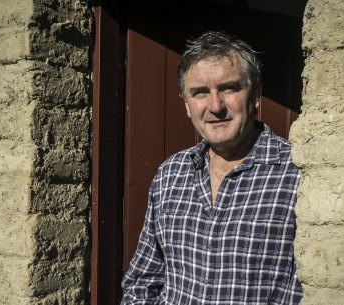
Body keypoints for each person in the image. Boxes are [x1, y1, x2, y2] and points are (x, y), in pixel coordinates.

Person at [121, 31, 303, 304]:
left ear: (255, 95)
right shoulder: (170, 174)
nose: (215, 106)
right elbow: (143, 281)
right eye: (200, 93)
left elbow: (305, 291)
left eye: (229, 88)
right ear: (187, 105)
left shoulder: (297, 172)